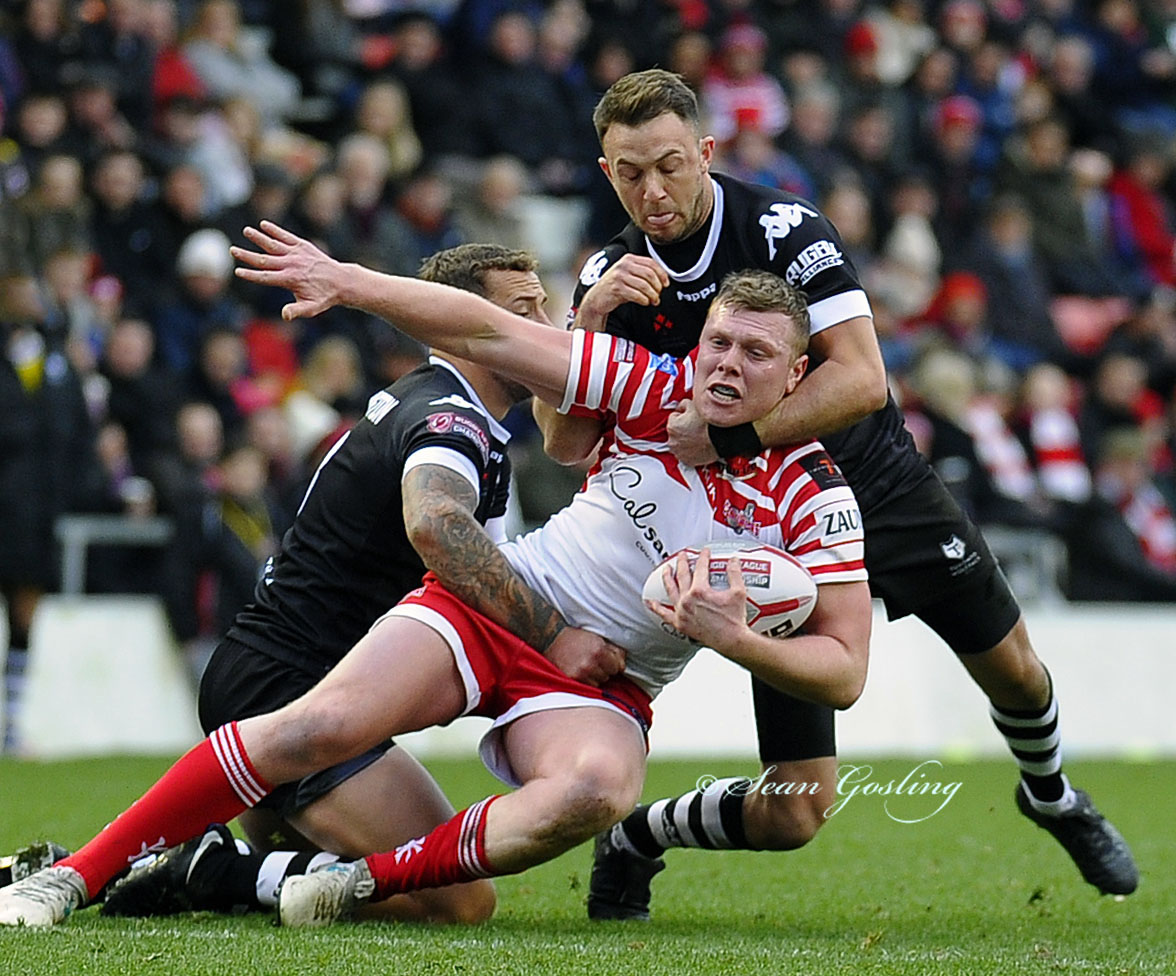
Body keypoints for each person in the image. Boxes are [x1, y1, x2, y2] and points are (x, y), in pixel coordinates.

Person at [0, 231, 871, 927]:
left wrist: (736, 639)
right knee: (323, 725)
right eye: (718, 341)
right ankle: (75, 876)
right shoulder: (649, 386)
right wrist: (349, 281)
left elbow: (844, 670)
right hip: (505, 608)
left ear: (797, 375)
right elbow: (485, 330)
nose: (726, 364)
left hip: (605, 680)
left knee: (599, 789)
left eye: (756, 354)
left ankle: (352, 881)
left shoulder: (815, 496)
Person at [527, 69, 1136, 917]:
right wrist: (585, 322)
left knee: (1017, 672)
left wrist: (733, 437)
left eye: (669, 166)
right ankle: (639, 833)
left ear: (705, 152)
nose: (653, 191)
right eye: (630, 173)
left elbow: (861, 379)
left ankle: (1052, 793)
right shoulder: (612, 275)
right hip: (764, 529)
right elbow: (564, 445)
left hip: (876, 486)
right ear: (605, 172)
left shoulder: (782, 229)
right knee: (795, 812)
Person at [9, 241, 626, 926]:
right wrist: (554, 635)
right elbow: (435, 522)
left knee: (335, 877)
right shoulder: (448, 421)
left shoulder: (435, 404)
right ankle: (201, 868)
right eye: (523, 310)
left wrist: (590, 325)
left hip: (275, 671)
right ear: (459, 322)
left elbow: (561, 432)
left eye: (543, 309)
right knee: (458, 901)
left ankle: (214, 868)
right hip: (296, 692)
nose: (542, 328)